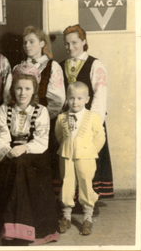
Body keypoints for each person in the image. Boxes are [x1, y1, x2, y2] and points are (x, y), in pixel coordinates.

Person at [0, 63, 59, 246]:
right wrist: (9, 151)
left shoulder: (41, 111)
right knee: (15, 165)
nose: (22, 93)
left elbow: (41, 141)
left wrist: (24, 148)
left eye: (27, 89)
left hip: (35, 155)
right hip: (10, 155)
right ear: (13, 89)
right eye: (19, 88)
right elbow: (1, 138)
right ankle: (11, 230)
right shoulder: (4, 110)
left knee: (21, 165)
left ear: (34, 90)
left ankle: (27, 231)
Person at [60, 24, 113, 202]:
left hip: (89, 121)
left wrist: (93, 123)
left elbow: (100, 94)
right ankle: (70, 200)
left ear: (84, 41)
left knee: (88, 163)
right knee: (69, 163)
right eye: (67, 44)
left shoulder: (94, 64)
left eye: (74, 42)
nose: (70, 47)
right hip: (68, 122)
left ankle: (91, 200)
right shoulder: (61, 65)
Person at [55, 81, 106, 235]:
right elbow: (59, 136)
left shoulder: (93, 117)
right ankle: (66, 216)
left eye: (79, 98)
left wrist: (90, 151)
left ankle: (88, 218)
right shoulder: (61, 117)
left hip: (86, 156)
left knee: (85, 183)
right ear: (67, 99)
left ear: (87, 99)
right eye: (71, 98)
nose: (75, 102)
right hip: (66, 155)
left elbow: (100, 137)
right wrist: (68, 146)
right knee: (67, 183)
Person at [21, 25, 65, 196]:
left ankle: (50, 203)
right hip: (24, 122)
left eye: (32, 42)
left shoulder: (52, 66)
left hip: (47, 122)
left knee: (47, 162)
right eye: (25, 43)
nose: (27, 46)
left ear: (42, 43)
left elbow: (59, 99)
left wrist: (44, 116)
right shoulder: (20, 66)